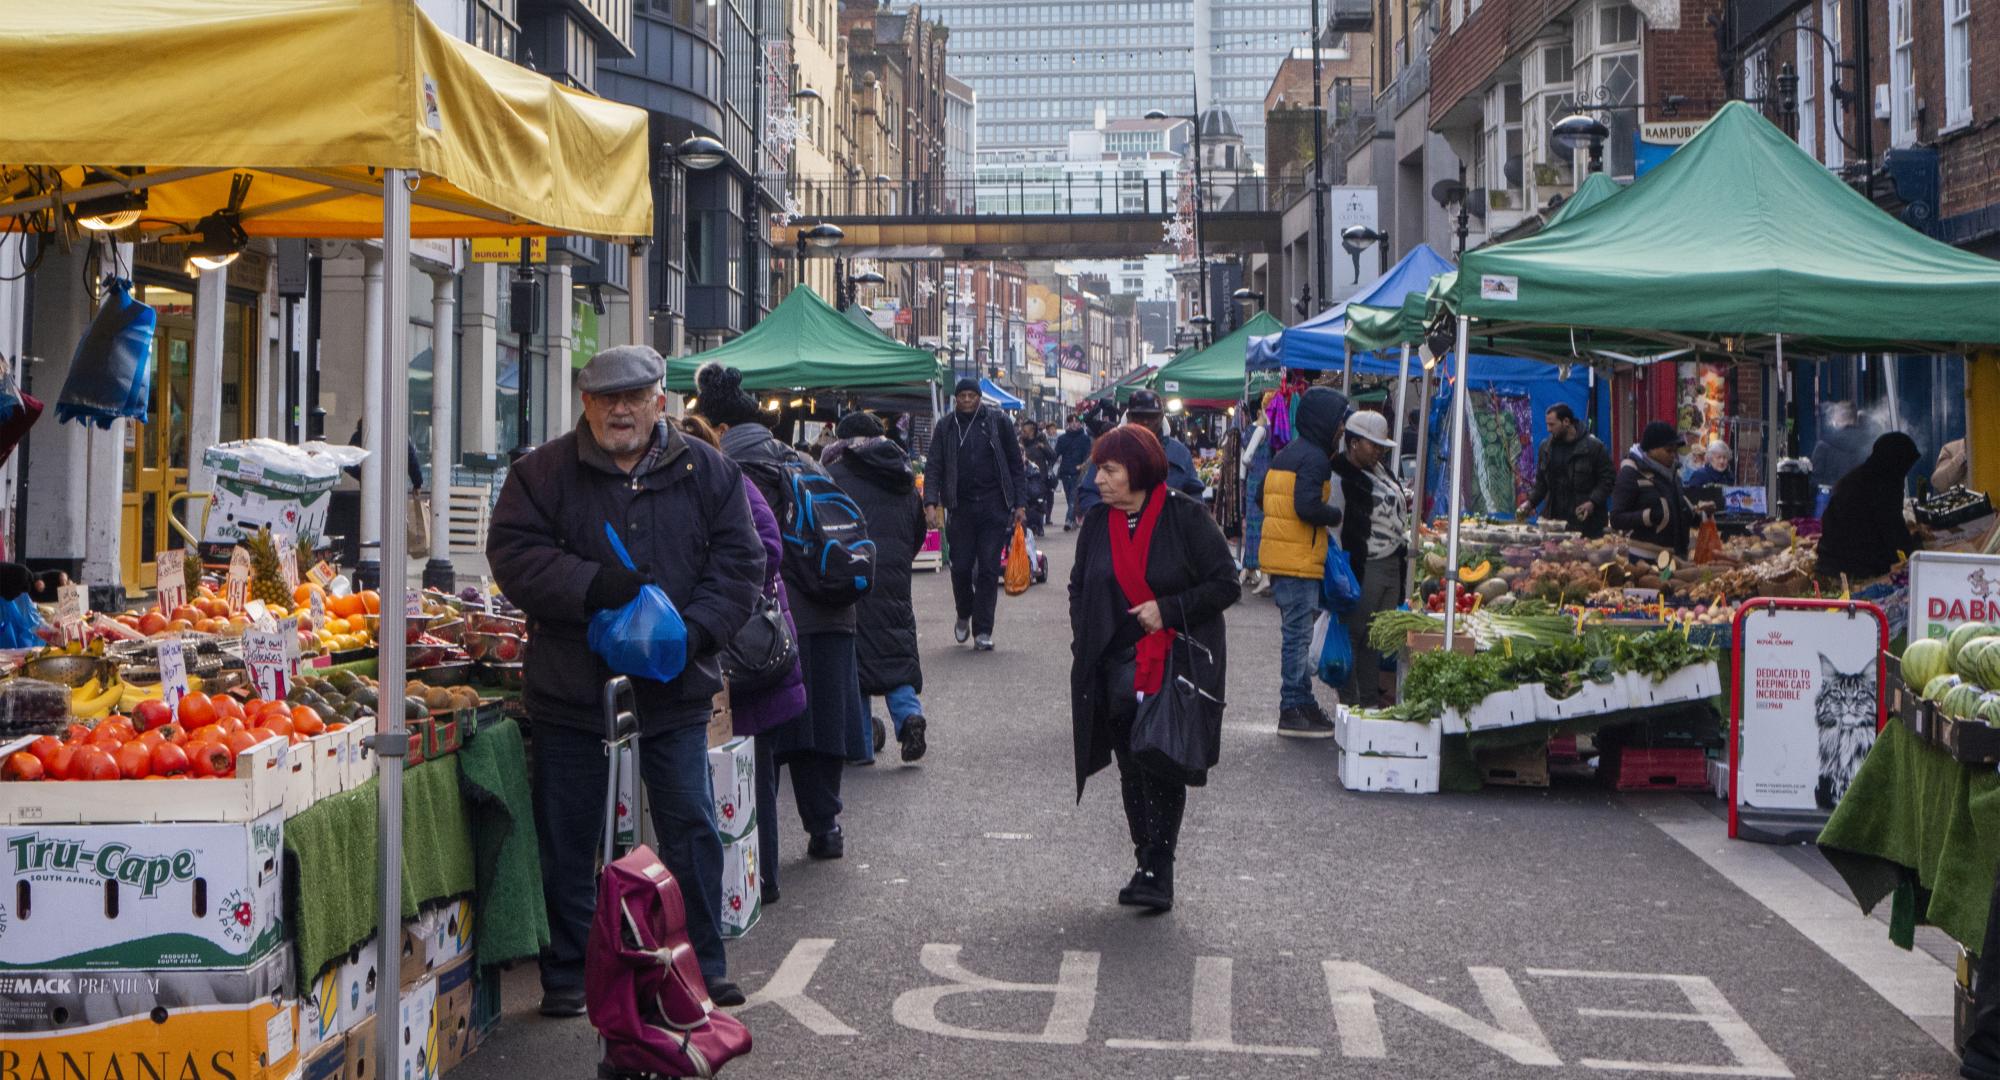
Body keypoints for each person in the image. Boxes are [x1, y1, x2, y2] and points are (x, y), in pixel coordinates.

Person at [487, 345, 764, 1016]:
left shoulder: (709, 471)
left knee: (691, 825)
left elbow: (741, 561)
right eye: (606, 399)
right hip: (573, 688)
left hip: (674, 688)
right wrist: (589, 586)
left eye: (634, 397)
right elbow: (514, 555)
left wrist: (696, 630)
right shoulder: (541, 473)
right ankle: (570, 972)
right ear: (584, 403)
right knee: (569, 833)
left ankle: (702, 963)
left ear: (658, 402)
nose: (621, 410)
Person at [695, 362, 868, 859]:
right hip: (833, 613)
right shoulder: (801, 459)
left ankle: (759, 848)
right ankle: (825, 827)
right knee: (824, 727)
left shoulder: (725, 470)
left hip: (772, 623)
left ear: (719, 428)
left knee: (764, 733)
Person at [1068, 424, 1240, 912]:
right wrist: (1083, 637)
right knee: (1129, 763)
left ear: (1138, 471)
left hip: (1172, 662)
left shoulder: (1185, 516)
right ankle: (1144, 858)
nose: (1098, 480)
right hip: (1112, 664)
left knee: (1159, 760)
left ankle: (1159, 869)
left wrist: (1166, 609)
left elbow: (1225, 584)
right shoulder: (1099, 523)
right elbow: (1079, 585)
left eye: (1110, 470)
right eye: (1098, 469)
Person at [680, 414, 803, 906]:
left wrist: (719, 592)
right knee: (734, 774)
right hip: (729, 653)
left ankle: (762, 878)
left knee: (757, 770)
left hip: (748, 653)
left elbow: (768, 550)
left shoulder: (733, 483)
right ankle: (735, 882)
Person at [823, 411, 929, 764]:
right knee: (895, 648)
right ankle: (909, 716)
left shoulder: (832, 476)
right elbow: (918, 529)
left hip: (850, 575)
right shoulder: (901, 476)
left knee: (854, 659)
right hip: (894, 574)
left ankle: (862, 744)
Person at [1256, 385, 1348, 738]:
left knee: (1297, 633)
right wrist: (1334, 514)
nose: (1341, 428)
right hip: (1296, 561)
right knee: (1297, 636)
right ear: (1325, 421)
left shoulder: (1288, 453)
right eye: (1338, 421)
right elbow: (1306, 506)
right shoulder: (1314, 460)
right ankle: (1292, 705)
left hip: (1282, 558)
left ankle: (1302, 700)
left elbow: (1263, 499)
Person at [923, 377, 1027, 652]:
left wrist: (1020, 504)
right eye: (962, 396)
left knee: (989, 569)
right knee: (961, 567)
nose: (967, 400)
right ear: (956, 399)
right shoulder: (946, 427)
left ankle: (983, 630)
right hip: (961, 507)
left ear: (979, 397)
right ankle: (963, 611)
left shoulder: (998, 422)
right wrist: (930, 502)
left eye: (972, 395)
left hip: (994, 505)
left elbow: (1016, 464)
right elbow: (934, 466)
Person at [1330, 410, 1412, 709]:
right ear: (1353, 443)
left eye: (1381, 445)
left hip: (1392, 565)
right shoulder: (1339, 476)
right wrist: (1341, 575)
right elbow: (1334, 529)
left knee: (1374, 641)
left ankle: (1368, 701)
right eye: (1372, 444)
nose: (1378, 450)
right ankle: (1350, 703)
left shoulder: (1381, 470)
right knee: (1355, 635)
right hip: (1363, 567)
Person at [1075, 390, 1205, 514]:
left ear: (1161, 417)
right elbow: (1088, 493)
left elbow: (1195, 497)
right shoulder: (1109, 450)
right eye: (1140, 417)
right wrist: (1106, 521)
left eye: (1151, 417)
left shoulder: (1179, 453)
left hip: (1168, 533)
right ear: (1129, 417)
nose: (1145, 422)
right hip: (1119, 532)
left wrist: (1180, 523)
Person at [1817, 432, 1924, 581]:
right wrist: (1915, 550)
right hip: (1853, 570)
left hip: (1832, 563)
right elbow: (1892, 529)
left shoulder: (1860, 477)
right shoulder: (1882, 485)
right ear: (1896, 461)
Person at [1519, 403, 1614, 537]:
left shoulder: (1594, 447)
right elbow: (1541, 483)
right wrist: (1530, 503)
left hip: (1587, 524)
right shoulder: (1545, 448)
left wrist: (1592, 502)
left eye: (1552, 425)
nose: (1548, 429)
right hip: (1555, 523)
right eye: (1547, 425)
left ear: (1566, 422)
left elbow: (1608, 480)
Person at [1609, 421, 1703, 555]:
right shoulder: (1631, 472)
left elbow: (1674, 508)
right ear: (1651, 449)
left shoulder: (1673, 472)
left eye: (1675, 450)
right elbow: (1616, 519)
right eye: (1668, 450)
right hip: (1645, 558)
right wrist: (1649, 516)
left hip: (1676, 556)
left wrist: (1695, 515)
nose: (1673, 455)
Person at [1811, 402, 1873, 488]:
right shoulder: (1871, 444)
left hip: (1835, 498)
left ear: (1836, 420)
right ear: (1855, 419)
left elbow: (1815, 481)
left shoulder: (1824, 445)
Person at [1017, 418, 1056, 537]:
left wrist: (1043, 447)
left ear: (1032, 430)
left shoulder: (1040, 441)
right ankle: (1030, 525)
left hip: (1040, 476)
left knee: (1039, 501)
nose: (1023, 431)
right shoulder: (1021, 442)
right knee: (1028, 501)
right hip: (1025, 476)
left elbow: (1052, 455)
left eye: (1025, 429)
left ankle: (1039, 525)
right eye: (1022, 429)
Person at [1054, 415, 1093, 530]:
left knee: (1073, 496)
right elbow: (1056, 453)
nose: (1074, 424)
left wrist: (1083, 465)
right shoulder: (1062, 439)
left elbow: (1088, 454)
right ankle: (1075, 516)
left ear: (1080, 424)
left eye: (1077, 422)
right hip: (1066, 471)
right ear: (1068, 423)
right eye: (1072, 422)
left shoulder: (1085, 438)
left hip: (1079, 472)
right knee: (1069, 498)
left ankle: (1068, 520)